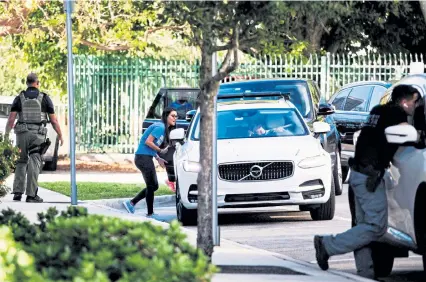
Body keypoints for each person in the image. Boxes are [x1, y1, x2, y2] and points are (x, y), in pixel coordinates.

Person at [313, 84, 420, 279]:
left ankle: (365, 273)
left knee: (363, 226)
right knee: (376, 227)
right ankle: (327, 245)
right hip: (369, 175)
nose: (415, 106)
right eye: (414, 102)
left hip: (357, 172)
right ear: (404, 102)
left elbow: (374, 139)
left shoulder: (377, 111)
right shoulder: (397, 115)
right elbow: (409, 138)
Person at [5, 73, 64, 203]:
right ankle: (31, 195)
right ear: (37, 83)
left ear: (27, 83)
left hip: (21, 134)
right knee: (34, 162)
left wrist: (6, 136)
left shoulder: (19, 98)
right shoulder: (45, 98)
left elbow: (11, 120)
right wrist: (60, 135)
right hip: (37, 135)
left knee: (21, 161)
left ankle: (18, 192)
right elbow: (54, 121)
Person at [123, 107, 177, 216]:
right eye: (172, 115)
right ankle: (149, 212)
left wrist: (158, 158)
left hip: (145, 157)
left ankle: (131, 203)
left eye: (176, 116)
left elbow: (151, 145)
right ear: (166, 116)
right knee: (151, 185)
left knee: (153, 186)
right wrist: (160, 150)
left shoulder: (162, 128)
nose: (175, 118)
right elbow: (148, 142)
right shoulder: (160, 127)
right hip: (143, 158)